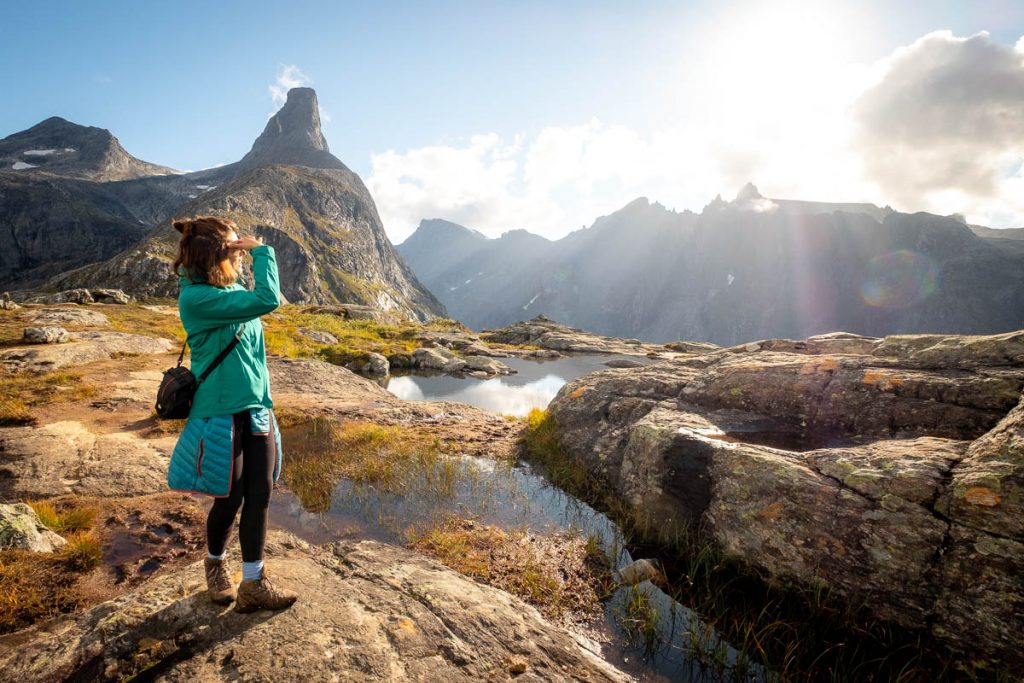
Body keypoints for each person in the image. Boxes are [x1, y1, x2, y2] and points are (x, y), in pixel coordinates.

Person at [170, 215, 297, 613]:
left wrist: (264, 401)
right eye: (234, 247)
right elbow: (269, 300)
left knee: (260, 495)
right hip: (219, 413)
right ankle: (215, 566)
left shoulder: (231, 290)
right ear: (214, 254)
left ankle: (254, 584)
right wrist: (263, 252)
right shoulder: (197, 299)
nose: (241, 253)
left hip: (256, 408)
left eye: (242, 248)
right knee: (229, 498)